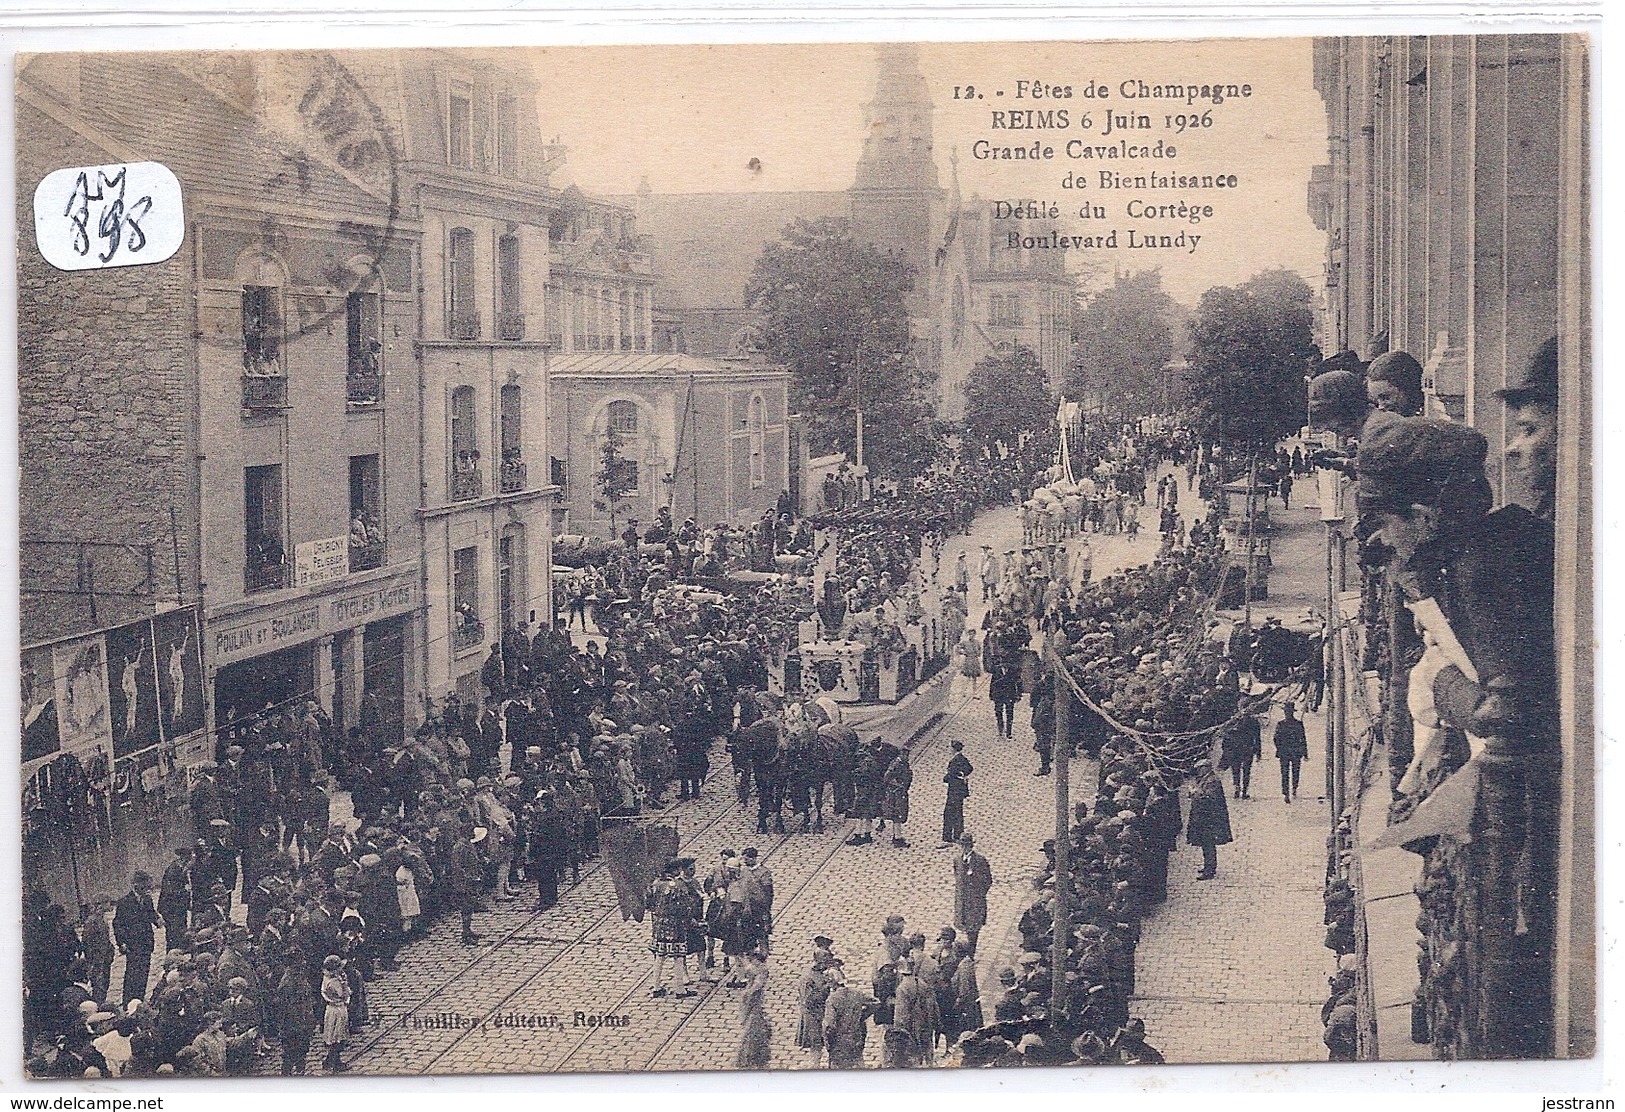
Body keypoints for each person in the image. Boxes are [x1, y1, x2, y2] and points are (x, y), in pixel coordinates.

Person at [112, 872, 161, 1006]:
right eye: (145, 886)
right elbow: (117, 924)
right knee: (132, 974)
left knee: (144, 972)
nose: (147, 889)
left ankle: (139, 999)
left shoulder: (148, 899)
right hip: (132, 944)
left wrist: (157, 921)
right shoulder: (124, 902)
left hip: (146, 942)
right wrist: (121, 943)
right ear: (136, 885)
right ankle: (128, 1002)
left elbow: (151, 914)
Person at [1185, 759, 1233, 880]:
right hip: (1205, 817)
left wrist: (1194, 792)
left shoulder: (1212, 781)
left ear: (1206, 768)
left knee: (1208, 843)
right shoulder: (1206, 779)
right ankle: (1208, 866)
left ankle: (1209, 869)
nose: (1198, 771)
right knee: (1206, 844)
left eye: (1200, 769)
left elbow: (1208, 798)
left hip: (1209, 819)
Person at [822, 962, 874, 1070]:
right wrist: (862, 1016)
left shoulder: (832, 1000)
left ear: (831, 983)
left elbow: (829, 1026)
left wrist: (828, 1043)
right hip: (856, 1037)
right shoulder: (857, 993)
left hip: (839, 1041)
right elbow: (876, 1003)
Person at [951, 833, 992, 955]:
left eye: (967, 845)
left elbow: (988, 880)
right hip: (962, 899)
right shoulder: (957, 860)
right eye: (962, 845)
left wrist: (978, 894)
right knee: (964, 924)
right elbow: (957, 875)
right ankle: (968, 950)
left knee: (974, 927)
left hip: (975, 901)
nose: (965, 848)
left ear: (971, 846)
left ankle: (971, 953)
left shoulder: (980, 860)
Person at [796, 949, 835, 1067]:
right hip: (812, 1015)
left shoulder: (825, 972)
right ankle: (814, 1067)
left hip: (823, 1012)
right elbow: (809, 1000)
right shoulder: (808, 977)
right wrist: (826, 988)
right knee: (816, 1044)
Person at [734, 945, 771, 1070]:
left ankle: (751, 1054)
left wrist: (748, 993)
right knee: (752, 1024)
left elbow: (758, 984)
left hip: (753, 997)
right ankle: (752, 1054)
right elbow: (756, 983)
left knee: (753, 1024)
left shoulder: (760, 969)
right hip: (751, 997)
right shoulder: (757, 968)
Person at [318, 954, 350, 1074]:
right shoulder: (334, 982)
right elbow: (343, 994)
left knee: (334, 1036)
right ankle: (336, 1063)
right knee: (338, 1037)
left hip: (330, 1009)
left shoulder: (326, 978)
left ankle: (328, 1060)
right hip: (337, 1010)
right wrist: (344, 983)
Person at [1221, 712, 1262, 799]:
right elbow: (1257, 737)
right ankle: (1244, 792)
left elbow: (1226, 735)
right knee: (1246, 771)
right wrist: (1258, 752)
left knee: (1235, 770)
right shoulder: (1254, 721)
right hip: (1248, 748)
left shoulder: (1234, 720)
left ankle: (1237, 789)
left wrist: (1226, 750)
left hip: (1235, 749)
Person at [1274, 702, 1309, 803]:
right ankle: (1292, 789)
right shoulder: (1298, 724)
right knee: (1294, 771)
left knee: (1285, 772)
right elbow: (1303, 739)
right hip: (1295, 752)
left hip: (1285, 752)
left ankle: (1287, 791)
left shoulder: (1281, 724)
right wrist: (1305, 753)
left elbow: (1276, 738)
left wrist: (1279, 748)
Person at [941, 741, 972, 846]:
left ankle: (948, 837)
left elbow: (949, 776)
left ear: (954, 749)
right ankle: (958, 834)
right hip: (960, 791)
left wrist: (946, 778)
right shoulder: (962, 758)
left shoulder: (955, 761)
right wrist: (962, 774)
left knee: (949, 813)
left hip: (954, 790)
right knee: (958, 812)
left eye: (950, 748)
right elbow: (969, 768)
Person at [882, 746, 913, 848]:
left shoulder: (903, 764)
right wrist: (897, 786)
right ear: (901, 754)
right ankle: (897, 838)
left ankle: (897, 836)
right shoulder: (896, 764)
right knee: (897, 815)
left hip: (901, 793)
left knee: (899, 815)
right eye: (906, 755)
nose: (907, 757)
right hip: (895, 794)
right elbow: (887, 778)